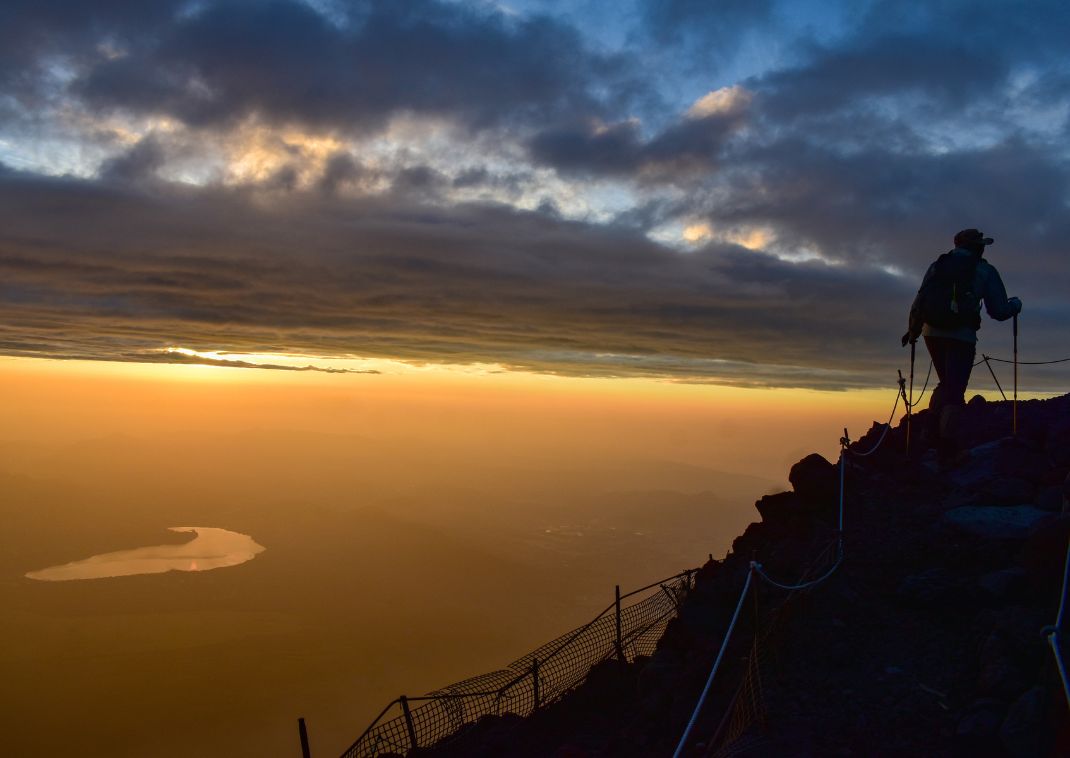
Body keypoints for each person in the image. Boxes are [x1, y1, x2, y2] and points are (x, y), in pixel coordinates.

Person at [902, 229, 1022, 461]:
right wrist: (1015, 305)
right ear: (977, 247)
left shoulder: (937, 265)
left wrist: (913, 331)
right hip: (961, 335)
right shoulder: (985, 270)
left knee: (946, 383)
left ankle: (928, 434)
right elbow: (998, 310)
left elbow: (920, 299)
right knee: (955, 392)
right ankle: (948, 453)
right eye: (981, 244)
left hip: (931, 332)